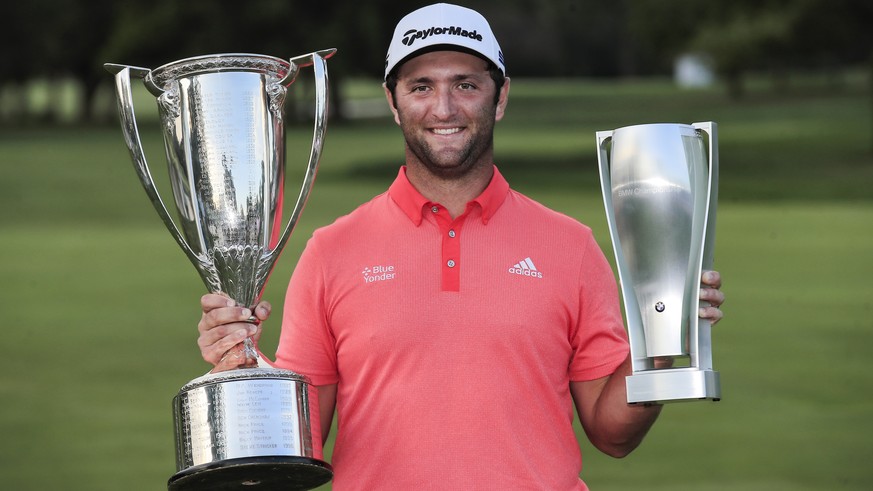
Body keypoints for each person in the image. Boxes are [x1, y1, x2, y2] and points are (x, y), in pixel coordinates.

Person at [197, 3, 725, 490]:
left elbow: (613, 434)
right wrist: (241, 371)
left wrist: (660, 341)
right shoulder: (331, 251)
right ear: (393, 101)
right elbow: (301, 441)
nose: (443, 107)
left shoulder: (571, 246)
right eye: (421, 86)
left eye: (466, 85)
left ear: (501, 97)